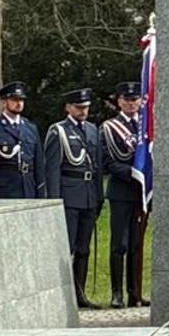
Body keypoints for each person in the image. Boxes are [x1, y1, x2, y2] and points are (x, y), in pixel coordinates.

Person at [42, 88, 105, 309]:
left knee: (83, 249)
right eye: (78, 107)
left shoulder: (92, 130)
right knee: (66, 248)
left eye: (85, 107)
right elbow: (52, 170)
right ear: (68, 108)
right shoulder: (58, 131)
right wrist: (54, 201)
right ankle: (62, 296)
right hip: (69, 195)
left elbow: (97, 166)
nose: (83, 111)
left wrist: (99, 196)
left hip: (88, 195)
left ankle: (80, 294)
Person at [103, 82, 150, 308]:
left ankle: (135, 292)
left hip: (141, 193)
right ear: (119, 101)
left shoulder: (146, 127)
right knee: (119, 244)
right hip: (121, 191)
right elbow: (107, 161)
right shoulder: (109, 127)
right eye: (126, 100)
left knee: (136, 244)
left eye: (135, 99)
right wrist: (132, 173)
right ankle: (117, 293)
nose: (131, 103)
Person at [0, 82, 42, 199]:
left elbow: (38, 165)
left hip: (28, 188)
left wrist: (41, 192)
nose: (19, 103)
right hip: (5, 191)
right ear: (4, 102)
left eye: (21, 100)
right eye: (14, 100)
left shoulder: (31, 128)